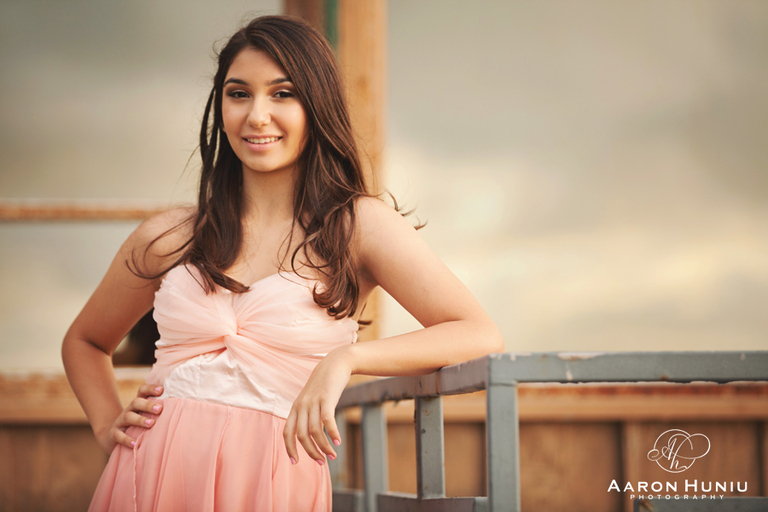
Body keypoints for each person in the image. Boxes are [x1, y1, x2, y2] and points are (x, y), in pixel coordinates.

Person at [62, 15, 503, 512]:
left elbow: (477, 331)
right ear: (220, 107)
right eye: (239, 93)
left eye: (282, 94)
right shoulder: (171, 235)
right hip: (150, 476)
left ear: (316, 105)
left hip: (272, 483)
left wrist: (346, 360)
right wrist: (107, 424)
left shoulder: (357, 226)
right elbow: (85, 341)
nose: (257, 116)